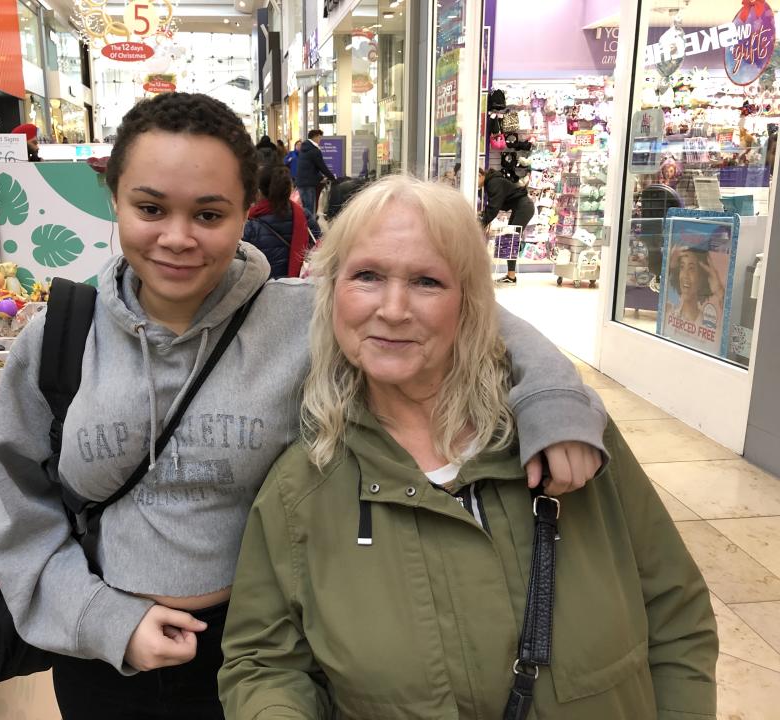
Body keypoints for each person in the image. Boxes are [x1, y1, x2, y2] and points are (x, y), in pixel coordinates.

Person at [0, 93, 607, 720]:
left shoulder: (299, 318)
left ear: (245, 211)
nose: (177, 238)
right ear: (114, 199)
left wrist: (553, 402)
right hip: (102, 658)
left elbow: (471, 318)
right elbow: (19, 514)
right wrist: (105, 621)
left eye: (208, 213)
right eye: (150, 208)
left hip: (276, 652)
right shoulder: (59, 338)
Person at [219, 175, 718, 720]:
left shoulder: (570, 443)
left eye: (427, 282)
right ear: (331, 291)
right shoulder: (305, 484)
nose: (392, 308)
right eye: (366, 276)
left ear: (470, 301)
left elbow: (676, 614)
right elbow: (265, 663)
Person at [243, 164, 321, 279]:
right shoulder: (304, 215)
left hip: (263, 289)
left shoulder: (250, 222)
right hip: (299, 286)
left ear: (259, 192)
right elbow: (318, 246)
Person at [479, 167, 534, 284]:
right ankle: (511, 276)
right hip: (522, 207)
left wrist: (480, 225)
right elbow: (494, 206)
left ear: (480, 175)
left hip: (524, 207)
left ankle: (511, 276)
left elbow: (494, 207)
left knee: (511, 239)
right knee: (510, 239)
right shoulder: (493, 181)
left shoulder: (493, 183)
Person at [296, 128, 336, 216]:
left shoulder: (304, 148)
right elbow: (322, 166)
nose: (320, 140)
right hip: (308, 184)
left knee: (305, 209)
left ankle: (305, 227)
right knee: (310, 211)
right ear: (316, 137)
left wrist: (321, 177)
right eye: (320, 138)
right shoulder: (314, 150)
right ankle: (312, 229)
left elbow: (309, 167)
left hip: (301, 183)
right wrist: (333, 178)